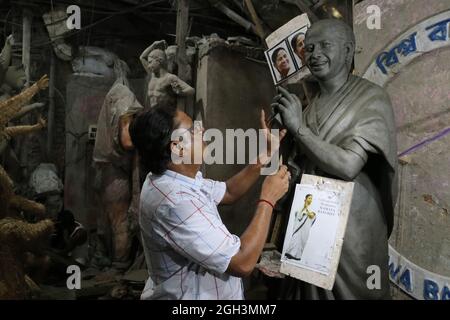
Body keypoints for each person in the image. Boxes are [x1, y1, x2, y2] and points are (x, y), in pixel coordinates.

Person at [272, 19, 398, 299]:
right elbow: (295, 170)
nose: (315, 54)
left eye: (325, 46)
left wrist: (299, 129)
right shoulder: (307, 109)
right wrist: (279, 139)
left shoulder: (371, 98)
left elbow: (347, 165)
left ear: (348, 51)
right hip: (310, 220)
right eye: (310, 47)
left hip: (352, 227)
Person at [129, 106, 290, 299]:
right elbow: (242, 262)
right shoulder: (175, 201)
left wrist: (265, 155)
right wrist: (268, 199)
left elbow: (229, 191)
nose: (202, 131)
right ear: (177, 147)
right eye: (193, 130)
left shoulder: (175, 178)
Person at [93, 59, 143, 272]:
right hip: (117, 173)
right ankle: (119, 268)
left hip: (105, 170)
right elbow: (127, 140)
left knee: (108, 221)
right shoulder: (125, 96)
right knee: (121, 223)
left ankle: (103, 259)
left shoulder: (113, 93)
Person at [140, 40, 194, 109]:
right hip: (153, 113)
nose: (148, 66)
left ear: (159, 61)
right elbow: (142, 57)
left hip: (164, 115)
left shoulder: (170, 77)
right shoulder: (152, 75)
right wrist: (154, 44)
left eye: (150, 62)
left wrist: (179, 92)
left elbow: (191, 90)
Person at [285, 194, 316, 261]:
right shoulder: (300, 208)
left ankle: (297, 256)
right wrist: (303, 211)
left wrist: (307, 210)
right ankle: (290, 254)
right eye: (309, 198)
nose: (310, 200)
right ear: (305, 199)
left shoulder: (312, 208)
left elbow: (311, 216)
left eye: (311, 198)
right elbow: (297, 216)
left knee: (301, 241)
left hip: (305, 229)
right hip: (298, 228)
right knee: (295, 239)